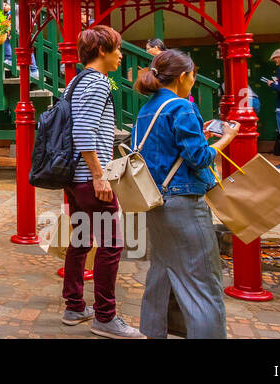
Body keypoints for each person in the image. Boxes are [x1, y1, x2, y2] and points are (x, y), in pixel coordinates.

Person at [133, 50, 240, 339]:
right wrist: (226, 139)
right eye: (193, 75)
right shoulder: (182, 107)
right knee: (203, 282)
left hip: (155, 201)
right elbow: (198, 158)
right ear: (183, 76)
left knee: (163, 272)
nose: (193, 80)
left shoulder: (147, 109)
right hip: (183, 203)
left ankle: (156, 332)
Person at [61, 25, 143, 338]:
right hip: (89, 177)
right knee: (112, 245)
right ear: (102, 51)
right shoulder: (96, 82)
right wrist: (99, 175)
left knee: (81, 240)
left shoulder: (75, 82)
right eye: (117, 49)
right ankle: (106, 317)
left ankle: (75, 306)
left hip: (74, 177)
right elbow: (83, 132)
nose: (121, 55)